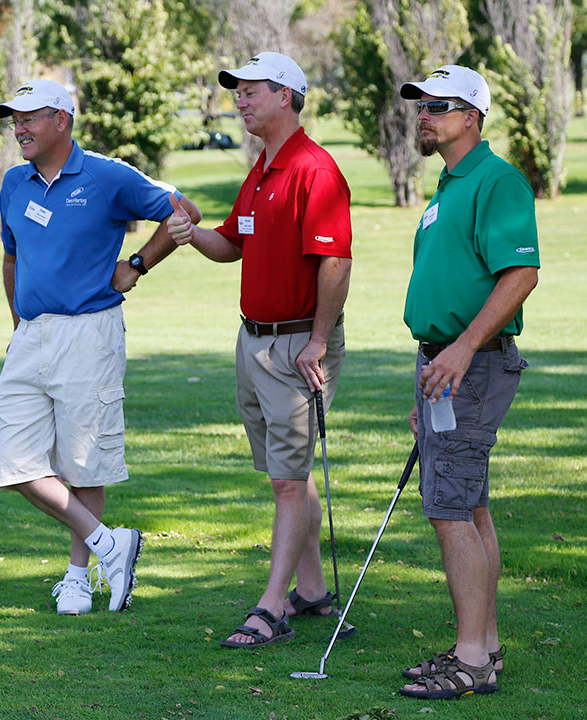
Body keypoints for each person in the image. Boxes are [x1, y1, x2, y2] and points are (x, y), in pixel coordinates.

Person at [0, 79, 201, 615]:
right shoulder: (15, 183)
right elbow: (11, 258)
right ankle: (112, 544)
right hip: (31, 333)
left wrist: (136, 265)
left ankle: (78, 578)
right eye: (13, 119)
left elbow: (184, 210)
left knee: (84, 465)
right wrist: (18, 320)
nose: (19, 128)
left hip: (90, 332)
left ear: (61, 119)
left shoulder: (107, 175)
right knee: (14, 463)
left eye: (29, 117)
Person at [166, 52, 353, 647]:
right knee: (285, 472)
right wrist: (188, 234)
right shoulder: (262, 169)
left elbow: (336, 261)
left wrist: (319, 341)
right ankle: (315, 590)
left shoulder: (313, 170)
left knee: (287, 481)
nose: (240, 100)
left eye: (252, 91)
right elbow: (231, 245)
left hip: (299, 342)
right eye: (238, 91)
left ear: (287, 97)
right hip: (255, 341)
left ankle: (271, 607)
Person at [396, 65, 539, 699]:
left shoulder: (497, 180)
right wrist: (427, 377)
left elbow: (520, 275)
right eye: (420, 106)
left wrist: (460, 349)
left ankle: (473, 660)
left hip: (471, 364)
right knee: (471, 505)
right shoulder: (449, 185)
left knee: (449, 509)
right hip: (444, 364)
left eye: (438, 106)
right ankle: (483, 645)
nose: (423, 115)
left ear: (471, 117)